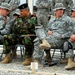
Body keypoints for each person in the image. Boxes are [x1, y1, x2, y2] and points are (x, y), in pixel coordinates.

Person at [33, 3, 74, 68]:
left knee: (40, 39)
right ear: (55, 11)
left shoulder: (67, 19)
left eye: (62, 9)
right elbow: (47, 30)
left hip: (62, 40)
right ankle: (36, 62)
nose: (61, 11)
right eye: (59, 9)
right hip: (52, 39)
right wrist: (48, 32)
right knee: (37, 39)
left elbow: (72, 32)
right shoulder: (52, 20)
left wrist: (61, 35)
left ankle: (70, 61)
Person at [63, 5, 75, 70]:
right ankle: (70, 62)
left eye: (73, 11)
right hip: (73, 39)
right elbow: (70, 31)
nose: (72, 13)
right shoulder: (72, 21)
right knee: (68, 42)